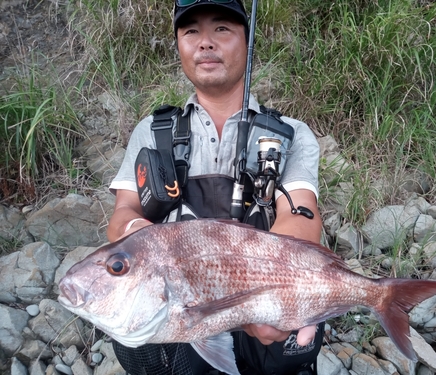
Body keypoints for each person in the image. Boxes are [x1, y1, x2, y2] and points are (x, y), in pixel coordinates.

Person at [107, 0, 323, 374]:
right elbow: (124, 213)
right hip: (181, 309)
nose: (205, 42)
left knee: (289, 345)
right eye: (191, 31)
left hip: (261, 300)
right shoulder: (152, 132)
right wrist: (138, 234)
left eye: (221, 29)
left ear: (247, 40)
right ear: (178, 45)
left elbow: (302, 217)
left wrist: (264, 299)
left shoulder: (292, 134)